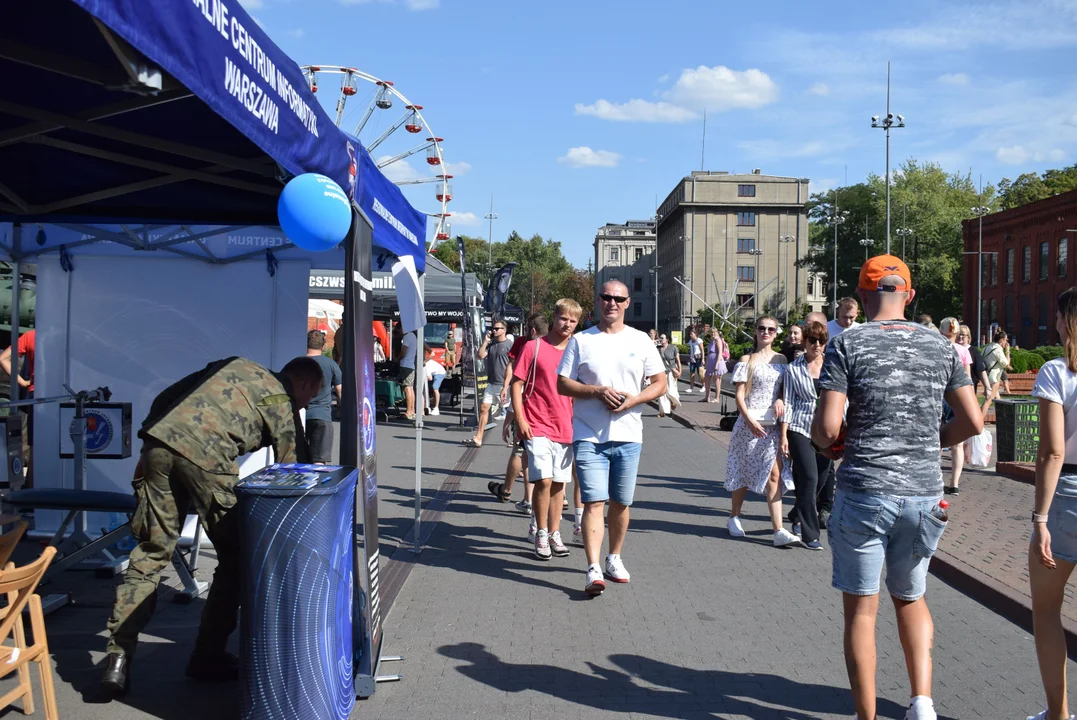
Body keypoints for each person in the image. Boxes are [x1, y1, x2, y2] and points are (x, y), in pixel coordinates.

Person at [811, 255, 981, 720]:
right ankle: (922, 703)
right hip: (925, 493)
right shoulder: (942, 347)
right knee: (911, 595)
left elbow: (827, 429)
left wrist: (826, 444)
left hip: (865, 490)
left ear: (863, 297)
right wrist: (930, 443)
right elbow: (972, 420)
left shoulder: (850, 344)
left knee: (862, 613)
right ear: (909, 295)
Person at [99, 356, 322, 697]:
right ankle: (208, 657)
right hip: (207, 457)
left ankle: (117, 657)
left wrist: (156, 443)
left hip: (158, 444)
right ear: (305, 383)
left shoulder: (234, 365)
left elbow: (168, 397)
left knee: (151, 553)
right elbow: (293, 469)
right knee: (236, 560)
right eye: (312, 396)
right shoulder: (280, 397)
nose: (307, 404)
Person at [558, 279, 666, 596]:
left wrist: (634, 400)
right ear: (599, 301)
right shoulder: (581, 341)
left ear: (627, 303)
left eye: (618, 298)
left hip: (629, 434)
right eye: (606, 297)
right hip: (589, 435)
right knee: (594, 501)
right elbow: (563, 384)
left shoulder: (641, 341)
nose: (611, 303)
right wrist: (596, 391)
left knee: (621, 503)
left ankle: (614, 557)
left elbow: (659, 382)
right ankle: (593, 568)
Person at [1027, 288, 1077, 720]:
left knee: (1046, 609)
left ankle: (1058, 714)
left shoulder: (1055, 372)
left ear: (1065, 320)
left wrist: (1040, 517)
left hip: (1068, 495)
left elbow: (1052, 452)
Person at [512, 299, 582, 560]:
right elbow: (517, 384)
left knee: (558, 485)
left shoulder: (577, 350)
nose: (567, 324)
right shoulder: (534, 347)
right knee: (543, 480)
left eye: (573, 321)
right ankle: (540, 531)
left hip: (566, 425)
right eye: (564, 318)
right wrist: (520, 418)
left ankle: (554, 532)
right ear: (554, 317)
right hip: (537, 422)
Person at [724, 316, 799, 547]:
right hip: (749, 426)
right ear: (755, 331)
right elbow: (739, 395)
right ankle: (734, 516)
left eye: (771, 329)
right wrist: (748, 420)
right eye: (761, 328)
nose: (766, 332)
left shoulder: (782, 359)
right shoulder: (748, 360)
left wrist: (779, 400)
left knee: (774, 474)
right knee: (743, 470)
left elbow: (785, 390)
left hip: (772, 427)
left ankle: (778, 530)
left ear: (776, 333)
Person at [488, 314, 546, 519]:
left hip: (526, 404)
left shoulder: (526, 345)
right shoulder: (553, 344)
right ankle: (559, 497)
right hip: (547, 408)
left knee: (521, 452)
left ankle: (516, 495)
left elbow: (513, 374)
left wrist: (508, 421)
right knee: (549, 454)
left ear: (530, 330)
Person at [779, 321, 831, 551]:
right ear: (805, 341)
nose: (817, 345)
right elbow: (788, 402)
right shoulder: (794, 368)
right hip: (800, 428)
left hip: (828, 430)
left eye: (821, 341)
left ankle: (796, 511)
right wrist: (783, 435)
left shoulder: (833, 366)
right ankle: (810, 534)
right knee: (809, 478)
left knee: (820, 480)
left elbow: (844, 399)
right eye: (812, 341)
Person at [466, 319, 512, 448]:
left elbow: (512, 367)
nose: (494, 330)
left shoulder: (509, 345)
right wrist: (485, 341)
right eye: (494, 328)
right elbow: (479, 356)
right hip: (491, 383)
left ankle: (517, 438)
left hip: (504, 384)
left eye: (497, 329)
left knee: (513, 412)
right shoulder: (491, 344)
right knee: (483, 408)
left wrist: (506, 386)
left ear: (504, 330)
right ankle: (478, 437)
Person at [940, 317, 972, 495]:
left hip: (939, 397)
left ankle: (936, 478)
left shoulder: (936, 348)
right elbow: (967, 380)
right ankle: (954, 482)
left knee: (936, 441)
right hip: (957, 398)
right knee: (957, 445)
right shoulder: (963, 351)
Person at [0, 328, 35, 488]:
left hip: (38, 396)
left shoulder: (31, 336)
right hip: (67, 394)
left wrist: (23, 382)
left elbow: (4, 359)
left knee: (37, 446)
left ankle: (33, 491)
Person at [304, 330, 342, 464]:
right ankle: (315, 484)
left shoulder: (297, 362)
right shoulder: (331, 364)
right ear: (324, 346)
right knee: (319, 461)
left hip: (299, 417)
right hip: (322, 416)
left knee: (297, 461)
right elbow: (340, 391)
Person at [981, 330, 1012, 416]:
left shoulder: (987, 347)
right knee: (988, 400)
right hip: (994, 378)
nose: (1006, 342)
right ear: (1001, 340)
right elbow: (1006, 363)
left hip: (986, 376)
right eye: (1006, 340)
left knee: (998, 399)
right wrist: (1008, 351)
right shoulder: (998, 350)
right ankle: (978, 422)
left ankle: (1004, 416)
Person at [958, 324, 989, 399]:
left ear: (968, 337)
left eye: (963, 335)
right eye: (958, 334)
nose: (960, 336)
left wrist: (987, 387)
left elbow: (981, 370)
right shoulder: (952, 348)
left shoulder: (973, 351)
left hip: (969, 386)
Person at [656, 333, 682, 418]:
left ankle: (673, 401)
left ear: (667, 339)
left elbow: (678, 360)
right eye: (660, 338)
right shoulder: (657, 348)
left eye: (662, 338)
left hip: (671, 371)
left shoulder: (673, 348)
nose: (660, 339)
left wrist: (680, 371)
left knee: (671, 391)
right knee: (661, 392)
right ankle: (662, 411)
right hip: (661, 372)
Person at [702, 330, 728, 403]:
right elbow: (709, 352)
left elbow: (720, 352)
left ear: (717, 333)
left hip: (716, 361)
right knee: (706, 378)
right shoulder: (711, 341)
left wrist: (716, 364)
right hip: (710, 361)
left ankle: (717, 398)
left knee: (716, 380)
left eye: (714, 333)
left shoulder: (718, 340)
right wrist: (706, 363)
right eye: (711, 333)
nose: (712, 334)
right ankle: (707, 397)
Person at [399, 326, 418, 421]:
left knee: (407, 388)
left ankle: (408, 411)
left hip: (405, 364)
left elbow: (403, 352)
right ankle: (412, 410)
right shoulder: (414, 336)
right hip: (411, 365)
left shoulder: (407, 337)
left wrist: (397, 359)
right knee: (410, 388)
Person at [424, 344, 446, 416]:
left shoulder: (426, 365)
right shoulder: (425, 363)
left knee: (435, 388)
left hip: (440, 373)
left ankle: (436, 408)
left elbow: (429, 378)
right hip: (434, 372)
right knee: (427, 387)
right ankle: (429, 403)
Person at [685, 329, 704, 394]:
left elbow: (702, 350)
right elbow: (690, 350)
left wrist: (703, 359)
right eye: (690, 334)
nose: (690, 335)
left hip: (698, 358)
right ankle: (691, 387)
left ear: (695, 334)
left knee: (700, 373)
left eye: (692, 334)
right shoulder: (690, 341)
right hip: (692, 358)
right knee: (692, 373)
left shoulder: (699, 340)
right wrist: (689, 358)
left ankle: (703, 386)